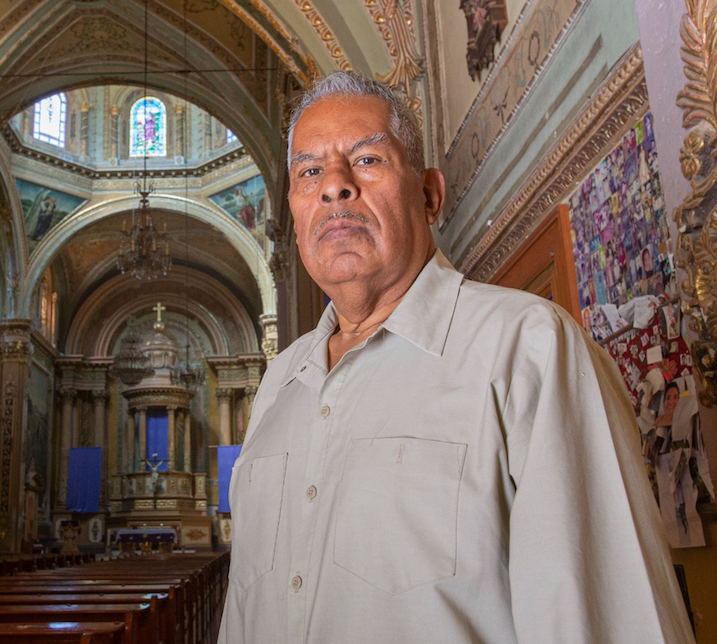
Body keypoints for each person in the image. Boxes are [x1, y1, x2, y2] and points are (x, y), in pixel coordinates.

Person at [218, 71, 693, 643]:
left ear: (429, 195)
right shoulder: (277, 385)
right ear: (293, 216)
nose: (334, 186)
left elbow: (612, 623)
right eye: (309, 171)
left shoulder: (529, 348)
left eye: (367, 160)